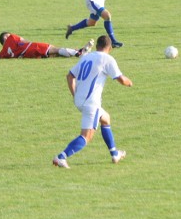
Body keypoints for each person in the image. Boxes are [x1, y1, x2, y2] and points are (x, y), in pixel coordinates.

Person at [52, 35, 133, 169]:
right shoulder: (107, 59)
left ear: (97, 46)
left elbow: (70, 76)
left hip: (80, 99)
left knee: (105, 118)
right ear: (110, 47)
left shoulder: (86, 56)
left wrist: (75, 94)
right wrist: (129, 82)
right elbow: (121, 79)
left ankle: (114, 154)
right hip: (91, 102)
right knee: (86, 136)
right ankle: (61, 157)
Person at [0, 32, 95, 59]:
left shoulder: (3, 53)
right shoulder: (11, 38)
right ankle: (80, 53)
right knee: (55, 49)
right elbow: (24, 40)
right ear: (6, 37)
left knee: (54, 53)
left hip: (28, 55)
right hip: (32, 47)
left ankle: (80, 50)